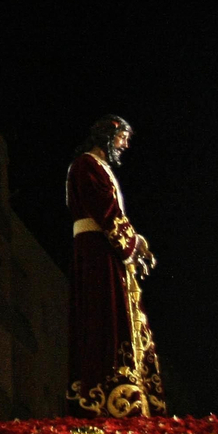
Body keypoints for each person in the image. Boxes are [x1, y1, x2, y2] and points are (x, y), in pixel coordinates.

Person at [65, 115, 166, 417]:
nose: (124, 144)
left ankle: (126, 393)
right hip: (97, 254)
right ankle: (105, 394)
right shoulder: (86, 165)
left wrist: (136, 244)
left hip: (107, 252)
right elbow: (106, 211)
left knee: (118, 318)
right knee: (103, 319)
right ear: (107, 136)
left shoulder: (100, 168)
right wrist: (134, 245)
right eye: (122, 137)